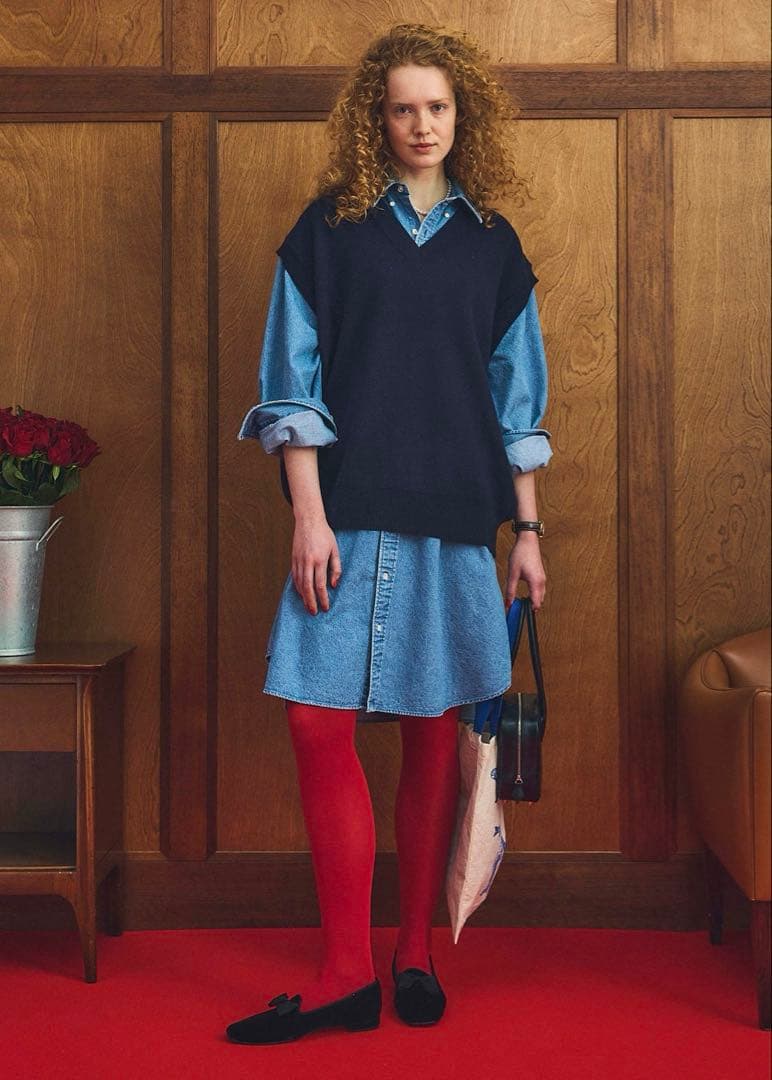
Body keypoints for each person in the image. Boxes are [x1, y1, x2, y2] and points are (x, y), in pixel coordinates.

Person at [227, 22, 551, 1045]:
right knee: (316, 724)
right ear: (377, 116)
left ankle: (413, 951)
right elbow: (291, 385)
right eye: (404, 107)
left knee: (430, 734)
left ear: (464, 115)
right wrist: (308, 517)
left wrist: (528, 532)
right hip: (346, 516)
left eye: (438, 107)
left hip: (456, 522)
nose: (422, 124)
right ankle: (343, 972)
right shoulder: (326, 233)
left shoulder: (493, 246)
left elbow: (518, 404)